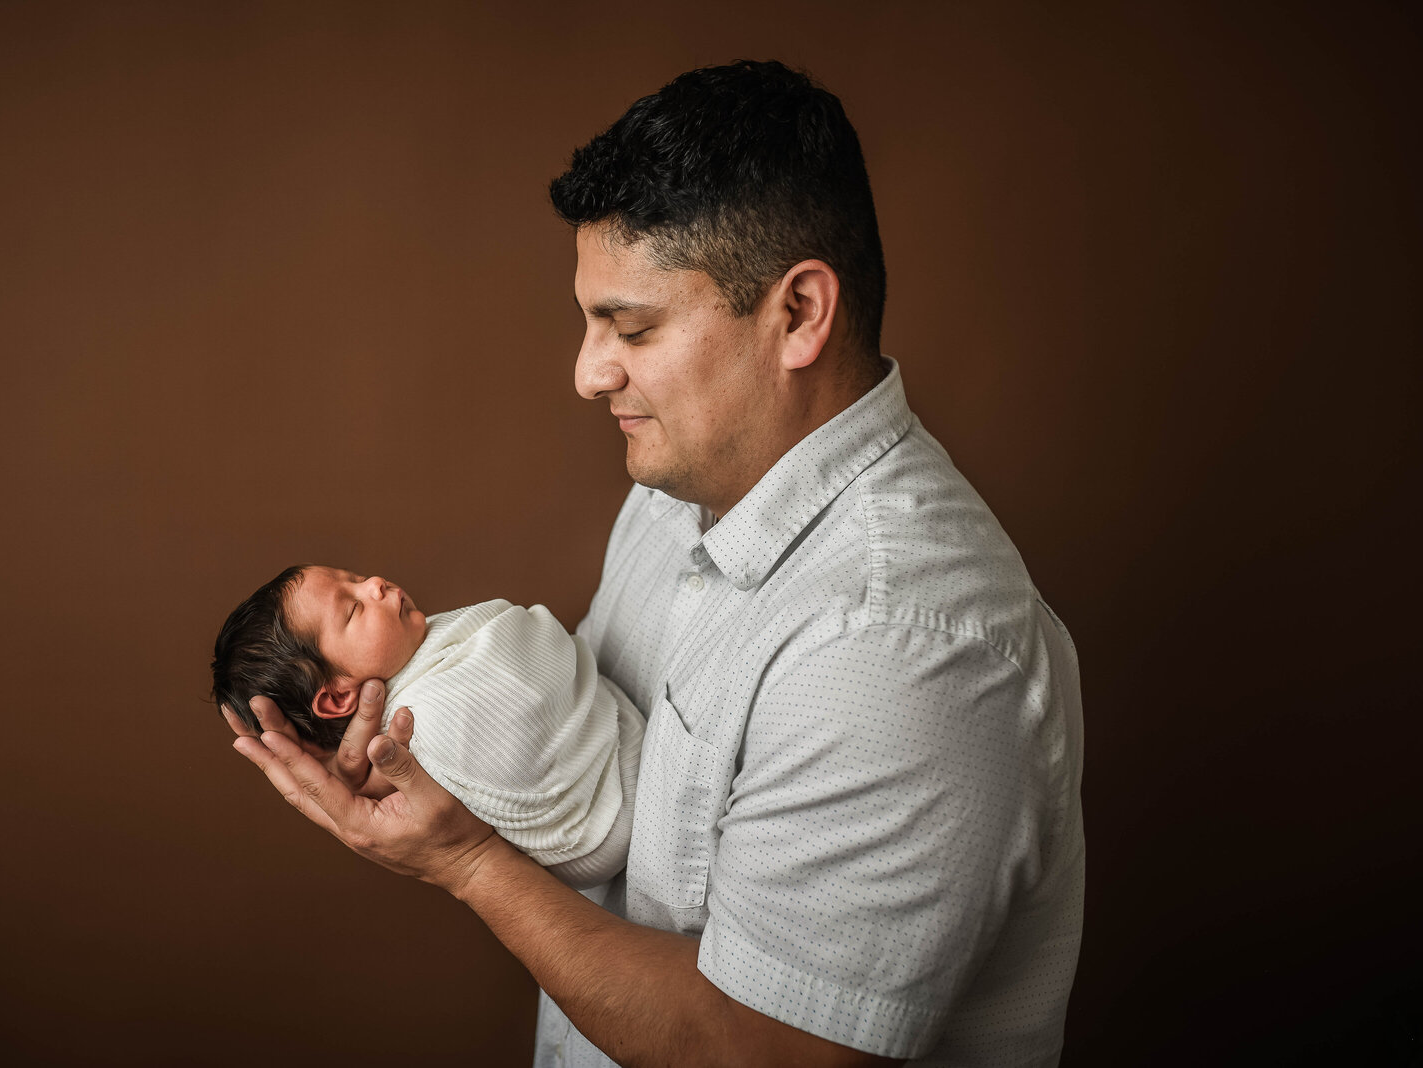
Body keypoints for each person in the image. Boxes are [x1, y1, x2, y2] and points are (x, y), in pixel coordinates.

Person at [227, 60, 1084, 1067]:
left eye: (630, 327)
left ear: (798, 314)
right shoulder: (671, 494)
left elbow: (756, 1053)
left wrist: (463, 862)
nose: (588, 373)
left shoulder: (896, 643)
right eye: (592, 322)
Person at [212, 564, 642, 889]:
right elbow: (518, 709)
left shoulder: (433, 648)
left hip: (615, 738)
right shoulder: (420, 723)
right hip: (597, 827)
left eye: (355, 577)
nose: (375, 582)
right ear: (340, 696)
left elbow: (520, 643)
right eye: (354, 608)